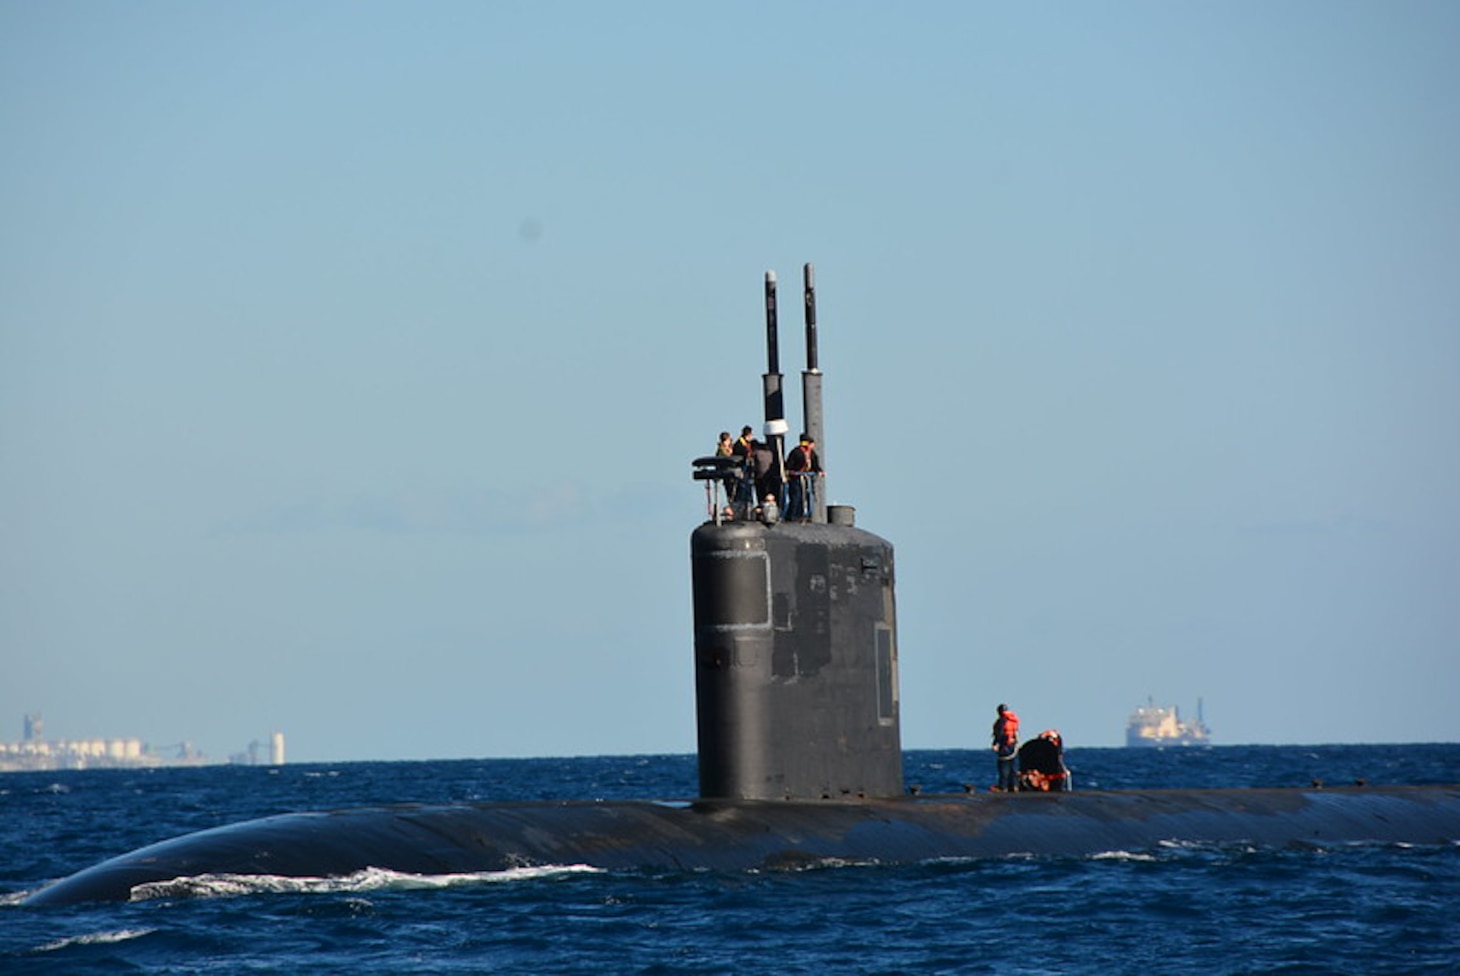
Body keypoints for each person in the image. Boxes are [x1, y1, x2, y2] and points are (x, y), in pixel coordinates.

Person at [784, 433, 822, 521]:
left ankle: (803, 515)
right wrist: (790, 473)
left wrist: (819, 471)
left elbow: (815, 465)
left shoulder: (812, 454)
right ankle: (792, 516)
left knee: (806, 497)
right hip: (796, 479)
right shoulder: (796, 452)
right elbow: (789, 466)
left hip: (806, 478)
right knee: (796, 497)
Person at [991, 703, 1020, 792]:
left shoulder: (1002, 721)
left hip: (1005, 746)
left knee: (1004, 767)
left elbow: (999, 733)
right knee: (1013, 767)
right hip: (1013, 745)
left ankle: (1003, 787)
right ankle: (1014, 785)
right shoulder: (1013, 720)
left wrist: (996, 744)